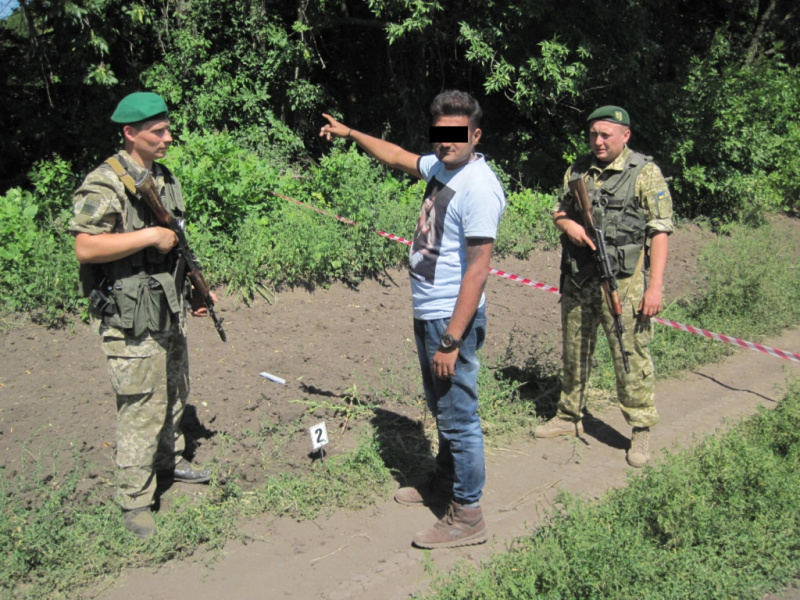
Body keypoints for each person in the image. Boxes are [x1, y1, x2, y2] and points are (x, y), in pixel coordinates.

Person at [320, 90, 506, 549]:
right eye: (440, 134)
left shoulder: (479, 187)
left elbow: (478, 270)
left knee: (459, 417)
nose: (445, 142)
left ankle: (468, 514)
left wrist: (451, 339)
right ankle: (444, 483)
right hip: (431, 311)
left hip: (450, 317)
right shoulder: (443, 167)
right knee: (443, 409)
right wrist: (350, 133)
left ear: (476, 135)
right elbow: (398, 157)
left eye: (456, 134)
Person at [70, 91, 212, 539]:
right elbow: (85, 246)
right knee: (140, 405)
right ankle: (135, 500)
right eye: (158, 132)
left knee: (175, 390)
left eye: (168, 129)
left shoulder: (163, 178)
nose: (168, 138)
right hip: (129, 318)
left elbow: (177, 244)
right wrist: (149, 236)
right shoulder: (105, 182)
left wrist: (195, 290)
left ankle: (169, 463)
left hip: (166, 306)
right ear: (130, 133)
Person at [535, 105, 673, 468]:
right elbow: (560, 210)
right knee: (575, 349)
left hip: (623, 284)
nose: (597, 141)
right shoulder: (577, 170)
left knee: (630, 354)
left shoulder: (645, 173)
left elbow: (660, 231)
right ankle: (569, 416)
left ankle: (640, 428)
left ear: (625, 136)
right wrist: (569, 226)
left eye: (605, 135)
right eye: (593, 134)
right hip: (579, 276)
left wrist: (655, 287)